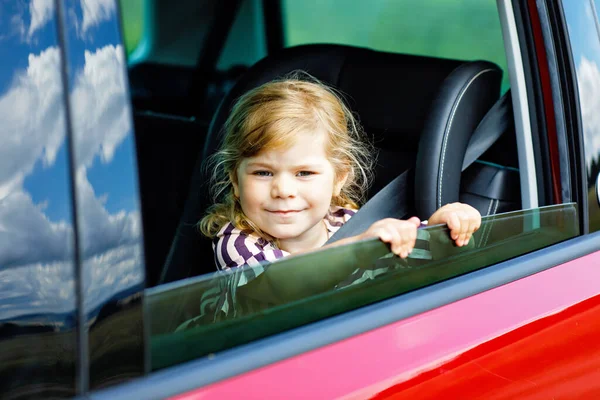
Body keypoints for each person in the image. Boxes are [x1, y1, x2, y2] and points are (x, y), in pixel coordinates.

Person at [198, 73, 481, 301]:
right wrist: (357, 250)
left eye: (304, 173)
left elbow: (414, 255)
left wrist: (444, 227)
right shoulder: (237, 240)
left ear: (339, 178)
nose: (283, 190)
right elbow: (281, 285)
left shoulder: (348, 223)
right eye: (263, 172)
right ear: (235, 181)